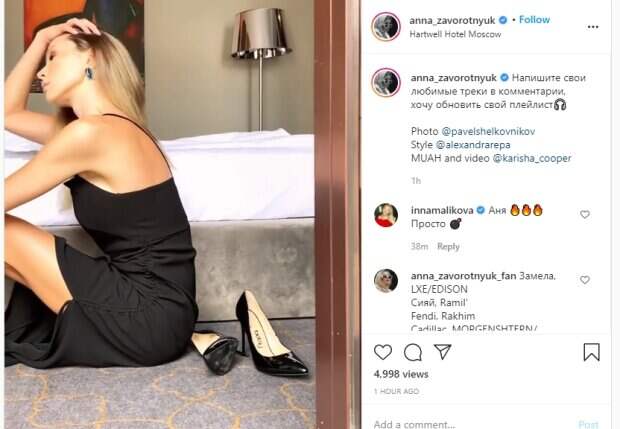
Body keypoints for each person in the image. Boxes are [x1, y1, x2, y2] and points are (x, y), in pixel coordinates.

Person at [4, 18, 206, 368]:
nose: (41, 72)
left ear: (91, 59)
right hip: (165, 312)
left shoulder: (92, 134)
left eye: (53, 57)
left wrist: (42, 41)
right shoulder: (106, 129)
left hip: (149, 315)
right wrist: (42, 40)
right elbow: (8, 114)